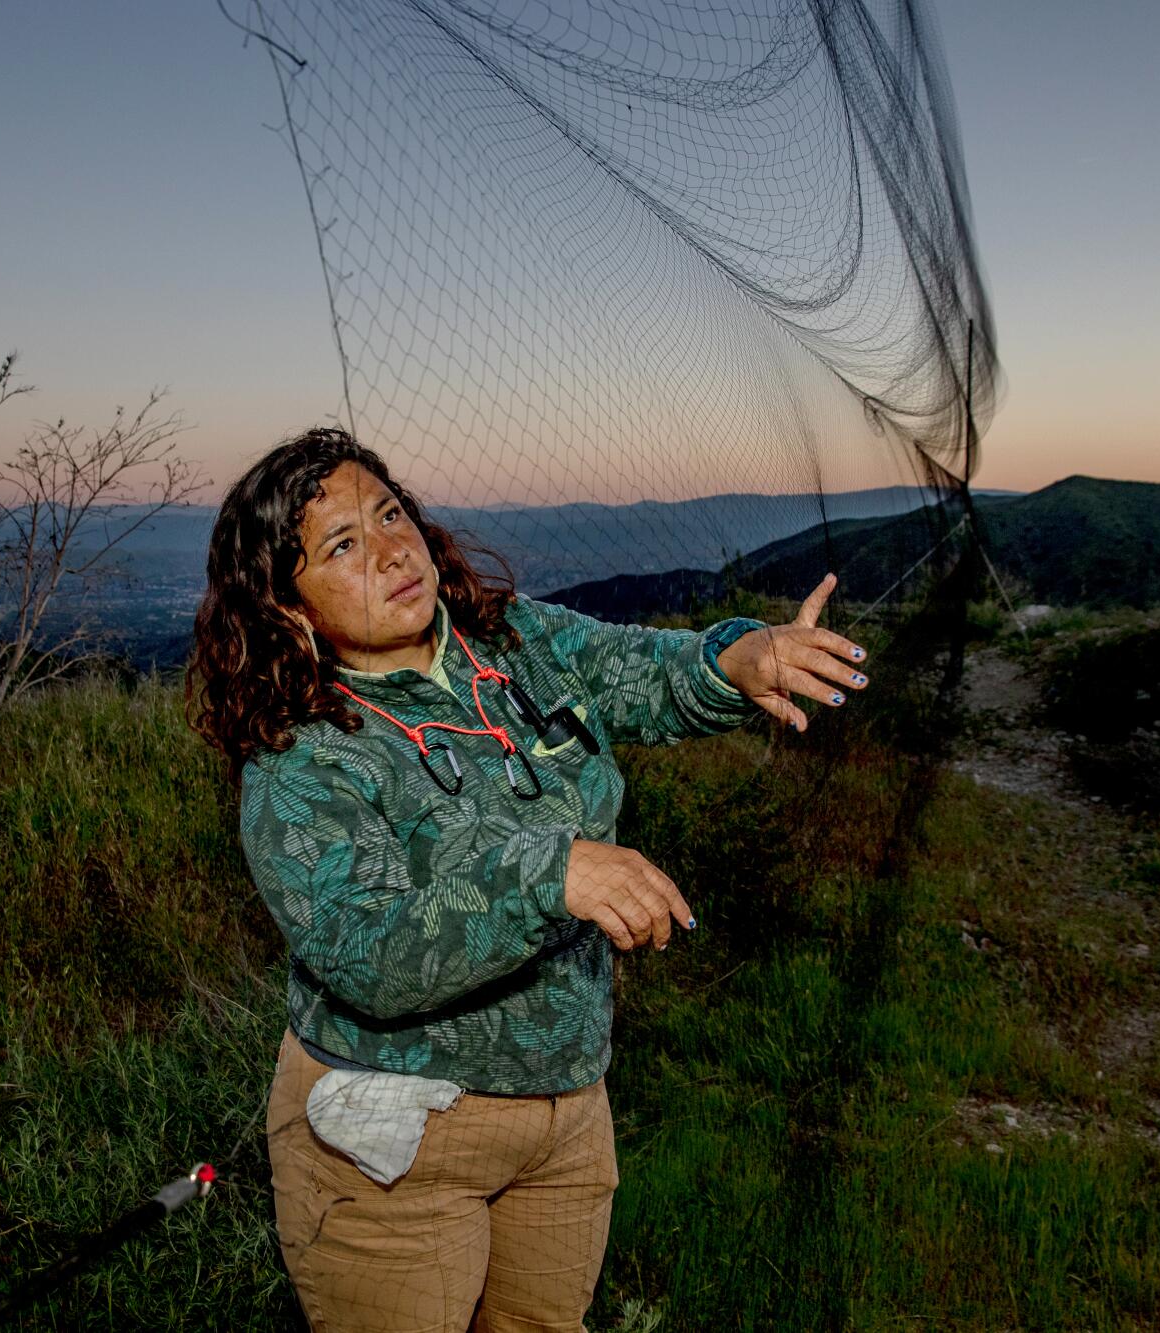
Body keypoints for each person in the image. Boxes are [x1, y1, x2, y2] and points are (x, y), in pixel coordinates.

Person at [186, 427, 871, 1332]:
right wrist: (547, 875)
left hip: (566, 1111)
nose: (393, 549)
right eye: (342, 545)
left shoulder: (512, 641)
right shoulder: (301, 755)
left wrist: (733, 660)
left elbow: (647, 673)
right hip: (397, 1137)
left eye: (392, 514)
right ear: (286, 604)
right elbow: (366, 950)